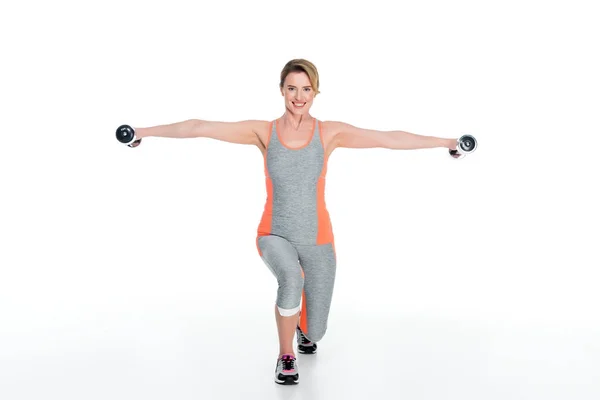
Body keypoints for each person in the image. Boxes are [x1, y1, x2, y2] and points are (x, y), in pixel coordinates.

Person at [125, 59, 460, 385]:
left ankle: (304, 331)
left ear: (315, 92)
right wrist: (142, 133)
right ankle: (286, 357)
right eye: (292, 89)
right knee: (291, 277)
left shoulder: (329, 134)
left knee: (317, 331)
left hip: (318, 240)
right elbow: (200, 127)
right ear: (281, 90)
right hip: (274, 233)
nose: (299, 97)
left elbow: (389, 138)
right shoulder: (263, 132)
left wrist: (447, 143)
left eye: (306, 89)